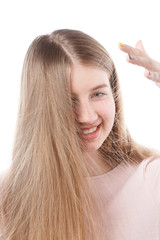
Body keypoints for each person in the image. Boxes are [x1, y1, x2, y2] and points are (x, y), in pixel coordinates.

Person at [0, 29, 160, 240]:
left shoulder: (150, 177)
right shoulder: (9, 197)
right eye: (69, 100)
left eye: (98, 94)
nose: (86, 116)